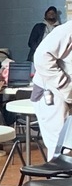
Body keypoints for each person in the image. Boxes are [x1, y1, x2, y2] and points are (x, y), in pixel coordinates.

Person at [31, 20, 72, 154]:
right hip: (51, 93)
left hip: (65, 94)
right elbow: (41, 57)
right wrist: (64, 85)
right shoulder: (67, 30)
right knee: (60, 149)